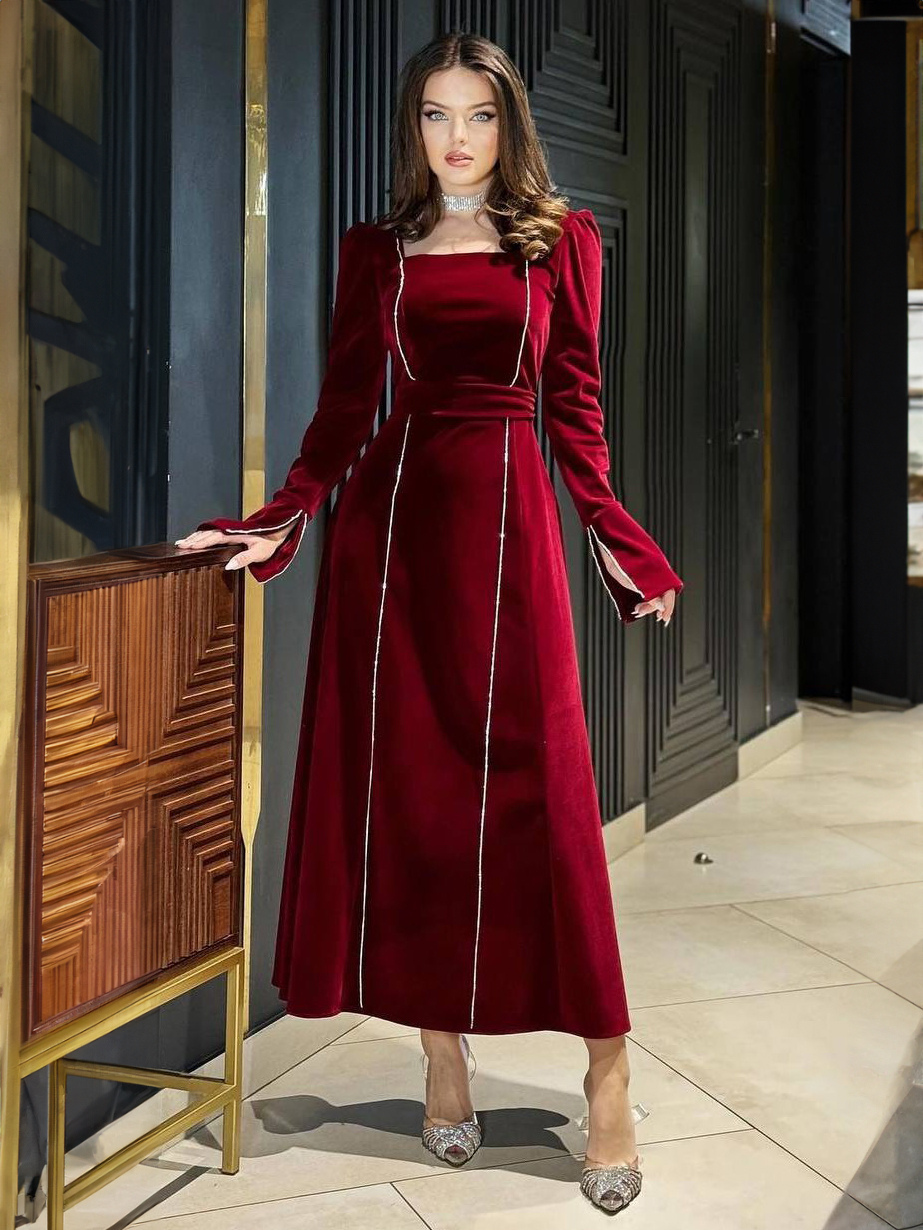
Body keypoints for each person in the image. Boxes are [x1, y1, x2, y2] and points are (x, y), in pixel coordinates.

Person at [176, 32, 683, 1216]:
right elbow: (343, 411)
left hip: (508, 544)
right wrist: (279, 517)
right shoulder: (377, 252)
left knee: (544, 807)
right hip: (392, 549)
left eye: (479, 116)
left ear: (510, 125)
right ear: (412, 126)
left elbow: (573, 412)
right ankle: (440, 1057)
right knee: (412, 806)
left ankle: (606, 1066)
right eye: (436, 116)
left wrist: (617, 536)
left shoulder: (560, 239)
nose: (457, 139)